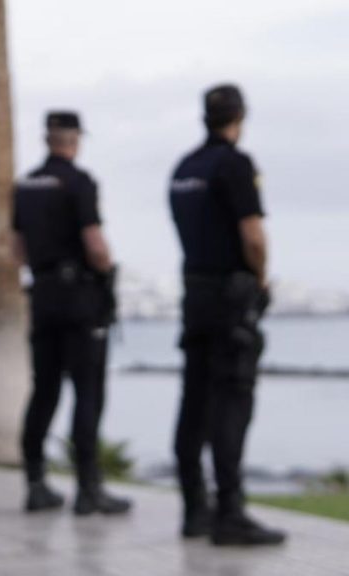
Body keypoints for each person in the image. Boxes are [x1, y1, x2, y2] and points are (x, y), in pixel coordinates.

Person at [169, 84, 285, 546]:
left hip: (194, 296)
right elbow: (253, 236)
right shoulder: (234, 164)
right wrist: (260, 279)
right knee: (232, 402)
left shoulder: (184, 168)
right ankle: (230, 513)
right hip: (229, 299)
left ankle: (194, 509)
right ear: (240, 117)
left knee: (194, 401)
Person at [12, 111, 131, 515]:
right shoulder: (79, 182)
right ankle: (88, 488)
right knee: (88, 391)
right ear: (75, 139)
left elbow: (17, 250)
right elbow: (94, 243)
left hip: (43, 296)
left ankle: (35, 482)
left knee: (44, 390)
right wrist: (106, 272)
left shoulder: (25, 185)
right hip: (79, 298)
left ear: (47, 139)